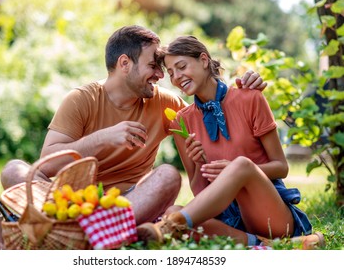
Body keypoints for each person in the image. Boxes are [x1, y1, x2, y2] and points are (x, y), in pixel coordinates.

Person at [0, 26, 266, 225]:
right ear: (124, 64)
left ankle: (76, 226)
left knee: (168, 176)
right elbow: (46, 163)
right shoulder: (81, 100)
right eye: (153, 65)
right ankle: (93, 225)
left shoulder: (165, 104)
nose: (162, 76)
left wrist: (244, 88)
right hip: (72, 198)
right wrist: (104, 138)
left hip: (129, 200)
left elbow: (208, 107)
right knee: (14, 170)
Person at [137, 35, 325, 249]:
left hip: (268, 213)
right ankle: (266, 245)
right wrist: (198, 162)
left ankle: (170, 227)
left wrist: (235, 172)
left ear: (204, 60)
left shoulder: (249, 98)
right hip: (228, 221)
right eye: (171, 73)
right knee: (172, 211)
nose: (177, 77)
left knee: (241, 165)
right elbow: (200, 192)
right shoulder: (182, 121)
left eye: (181, 67)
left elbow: (281, 167)